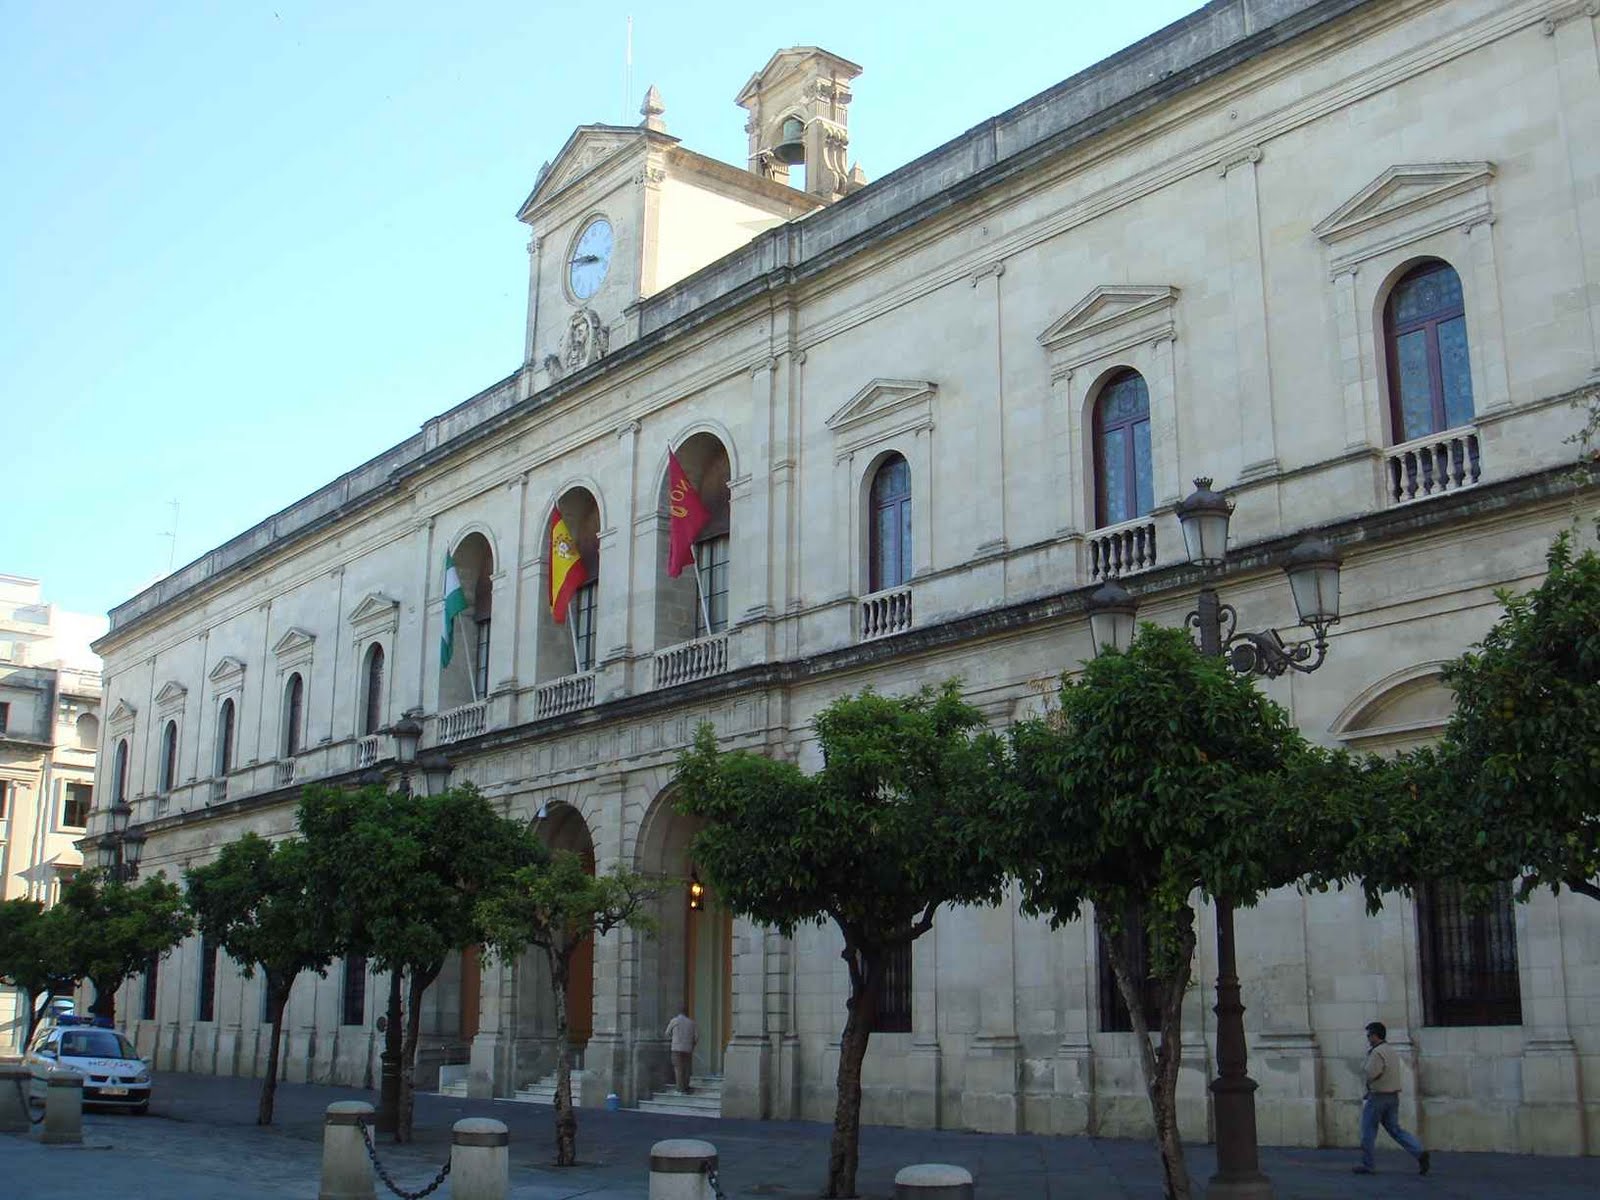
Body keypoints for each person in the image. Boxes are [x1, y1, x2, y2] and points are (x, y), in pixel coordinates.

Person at [1355, 1021, 1430, 1176]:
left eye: (1369, 1035)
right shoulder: (1390, 1050)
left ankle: (1368, 1165)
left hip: (1378, 1096)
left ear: (1375, 1035)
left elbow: (1370, 1073)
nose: (1368, 1038)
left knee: (1368, 1131)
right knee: (1396, 1130)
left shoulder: (1376, 1052)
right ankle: (1419, 1152)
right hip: (1393, 1096)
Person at [665, 1005, 698, 1094]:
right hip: (687, 1049)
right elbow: (696, 1038)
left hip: (676, 1048)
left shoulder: (674, 1021)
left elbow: (667, 1033)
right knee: (686, 1068)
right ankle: (686, 1087)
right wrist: (692, 1046)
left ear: (678, 1011)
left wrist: (674, 1038)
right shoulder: (691, 1023)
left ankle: (680, 1088)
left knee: (678, 1068)